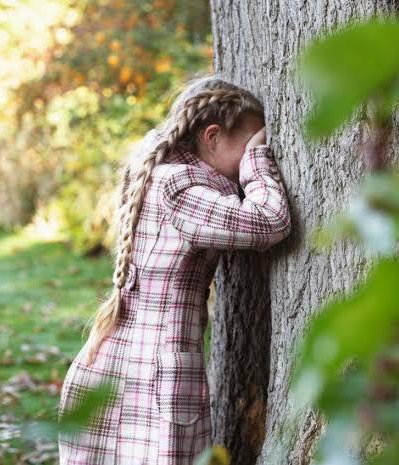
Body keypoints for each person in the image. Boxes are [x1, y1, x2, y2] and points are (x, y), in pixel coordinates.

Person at [57, 73, 292, 465]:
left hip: (122, 366)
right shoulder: (179, 188)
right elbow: (271, 220)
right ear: (212, 137)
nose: (254, 149)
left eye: (257, 145)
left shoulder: (160, 173)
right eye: (249, 141)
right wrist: (257, 161)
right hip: (154, 380)